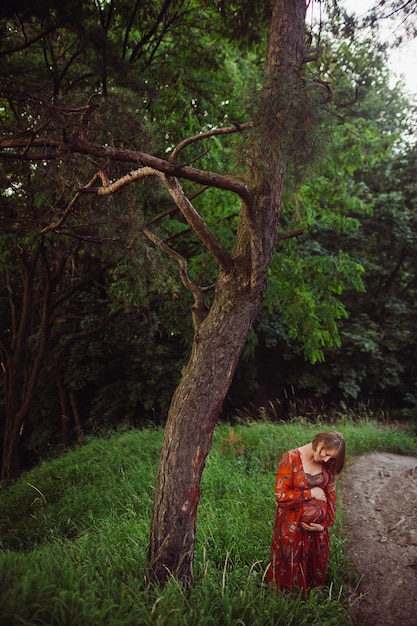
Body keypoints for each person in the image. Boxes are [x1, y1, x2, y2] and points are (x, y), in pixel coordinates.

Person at [268, 430, 345, 593]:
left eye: (331, 458)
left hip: (317, 531)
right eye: (326, 454)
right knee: (289, 567)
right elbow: (281, 495)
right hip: (292, 526)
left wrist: (324, 525)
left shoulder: (327, 464)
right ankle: (285, 603)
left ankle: (310, 599)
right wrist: (311, 493)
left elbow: (331, 497)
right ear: (320, 443)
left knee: (313, 568)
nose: (326, 459)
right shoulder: (291, 458)